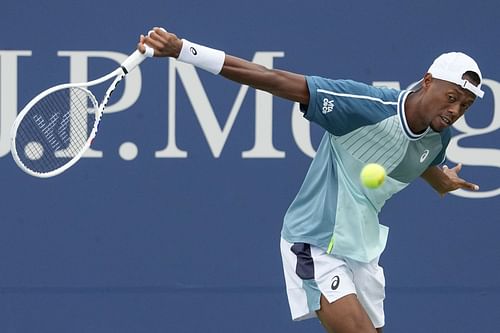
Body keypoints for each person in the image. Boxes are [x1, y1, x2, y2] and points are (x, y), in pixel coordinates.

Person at [138, 27, 483, 333]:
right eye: (451, 98)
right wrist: (182, 49)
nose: (455, 111)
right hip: (314, 240)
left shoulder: (439, 137)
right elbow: (269, 77)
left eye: (464, 106)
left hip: (362, 249)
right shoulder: (364, 106)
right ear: (427, 81)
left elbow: (420, 159)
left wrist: (443, 181)